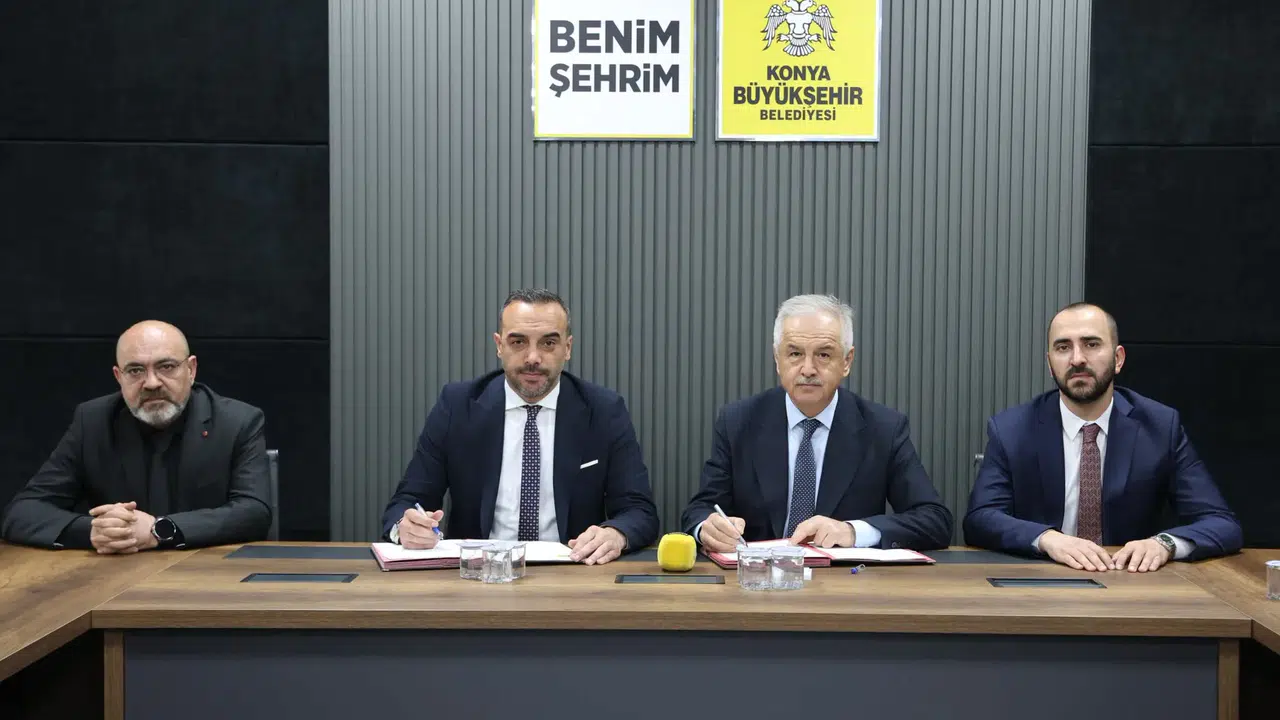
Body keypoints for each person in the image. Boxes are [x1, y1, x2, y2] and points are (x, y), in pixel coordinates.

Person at [381, 289, 659, 564]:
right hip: (477, 574)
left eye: (548, 343)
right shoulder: (458, 406)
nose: (533, 358)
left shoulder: (603, 410)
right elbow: (407, 501)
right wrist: (406, 526)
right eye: (518, 342)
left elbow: (639, 511)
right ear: (499, 345)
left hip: (572, 571)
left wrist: (615, 534)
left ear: (567, 348)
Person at [964, 302, 1242, 572]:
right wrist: (1047, 539)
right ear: (1050, 364)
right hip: (1042, 580)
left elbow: (1221, 523)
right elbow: (980, 519)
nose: (1077, 359)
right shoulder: (1012, 429)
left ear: (1118, 359)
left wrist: (1164, 544)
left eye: (1091, 344)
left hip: (1130, 579)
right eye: (1063, 347)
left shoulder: (1160, 427)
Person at [680, 294, 953, 552]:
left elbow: (934, 520)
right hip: (759, 578)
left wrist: (853, 532)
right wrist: (707, 529)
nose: (808, 369)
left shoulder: (883, 428)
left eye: (823, 355)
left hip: (846, 580)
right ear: (777, 359)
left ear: (847, 361)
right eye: (795, 354)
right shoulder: (738, 422)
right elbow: (700, 510)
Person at [2, 321, 272, 551]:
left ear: (191, 370)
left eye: (166, 366)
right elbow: (22, 511)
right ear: (118, 377)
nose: (151, 383)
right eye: (135, 371)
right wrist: (95, 531)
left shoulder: (237, 421)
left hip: (205, 575)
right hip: (114, 577)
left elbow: (254, 513)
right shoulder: (93, 422)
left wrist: (159, 530)